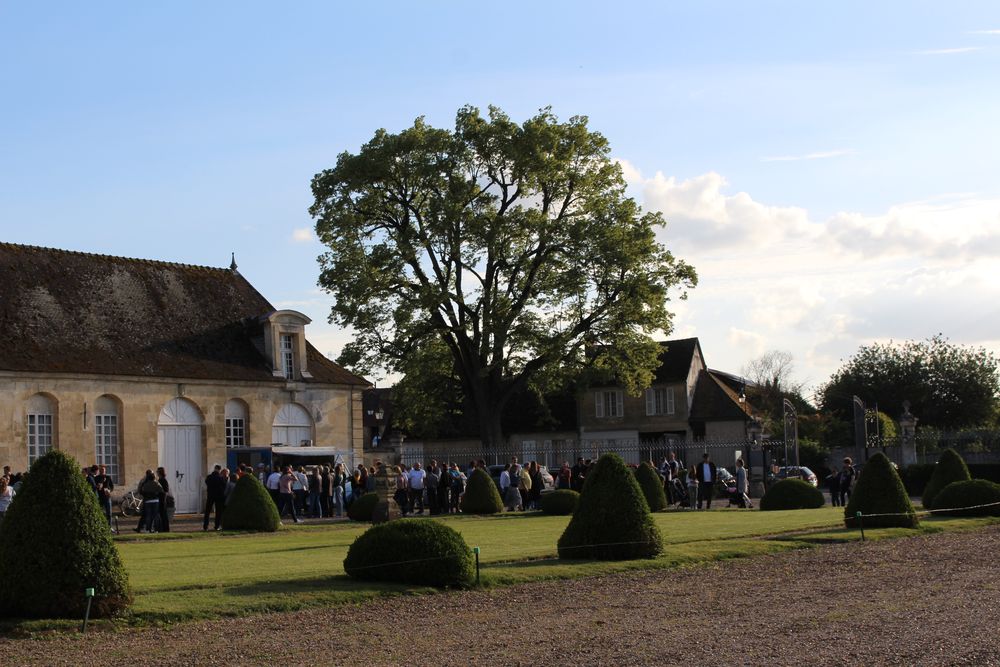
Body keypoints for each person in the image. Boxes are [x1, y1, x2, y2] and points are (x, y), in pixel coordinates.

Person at [204, 464, 227, 531]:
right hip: (219, 496)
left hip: (210, 495)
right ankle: (216, 526)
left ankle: (206, 526)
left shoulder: (209, 477)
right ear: (219, 470)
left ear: (214, 469)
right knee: (218, 512)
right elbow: (224, 486)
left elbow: (206, 483)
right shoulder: (221, 478)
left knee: (207, 511)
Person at [156, 466, 171, 533]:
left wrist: (159, 491)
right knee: (161, 515)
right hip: (159, 498)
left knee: (163, 515)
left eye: (157, 472)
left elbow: (166, 490)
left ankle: (166, 529)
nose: (156, 473)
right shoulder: (160, 480)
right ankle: (161, 528)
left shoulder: (164, 480)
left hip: (162, 499)